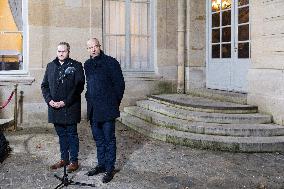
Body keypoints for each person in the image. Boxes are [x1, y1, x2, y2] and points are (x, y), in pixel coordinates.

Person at [84, 38, 125, 183]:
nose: (93, 49)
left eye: (95, 46)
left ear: (99, 47)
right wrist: (88, 97)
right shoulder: (87, 64)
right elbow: (90, 85)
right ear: (87, 50)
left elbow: (120, 85)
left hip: (108, 109)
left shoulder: (111, 62)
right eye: (90, 47)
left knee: (109, 140)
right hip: (94, 110)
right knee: (98, 140)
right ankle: (101, 165)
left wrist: (114, 103)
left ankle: (109, 168)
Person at [41, 42, 85, 173]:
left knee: (72, 134)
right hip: (55, 108)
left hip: (70, 107)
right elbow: (44, 86)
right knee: (61, 135)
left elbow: (79, 87)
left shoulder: (76, 66)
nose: (61, 53)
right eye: (59, 51)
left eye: (64, 51)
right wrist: (49, 101)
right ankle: (64, 159)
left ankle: (74, 161)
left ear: (68, 52)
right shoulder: (50, 66)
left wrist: (65, 102)